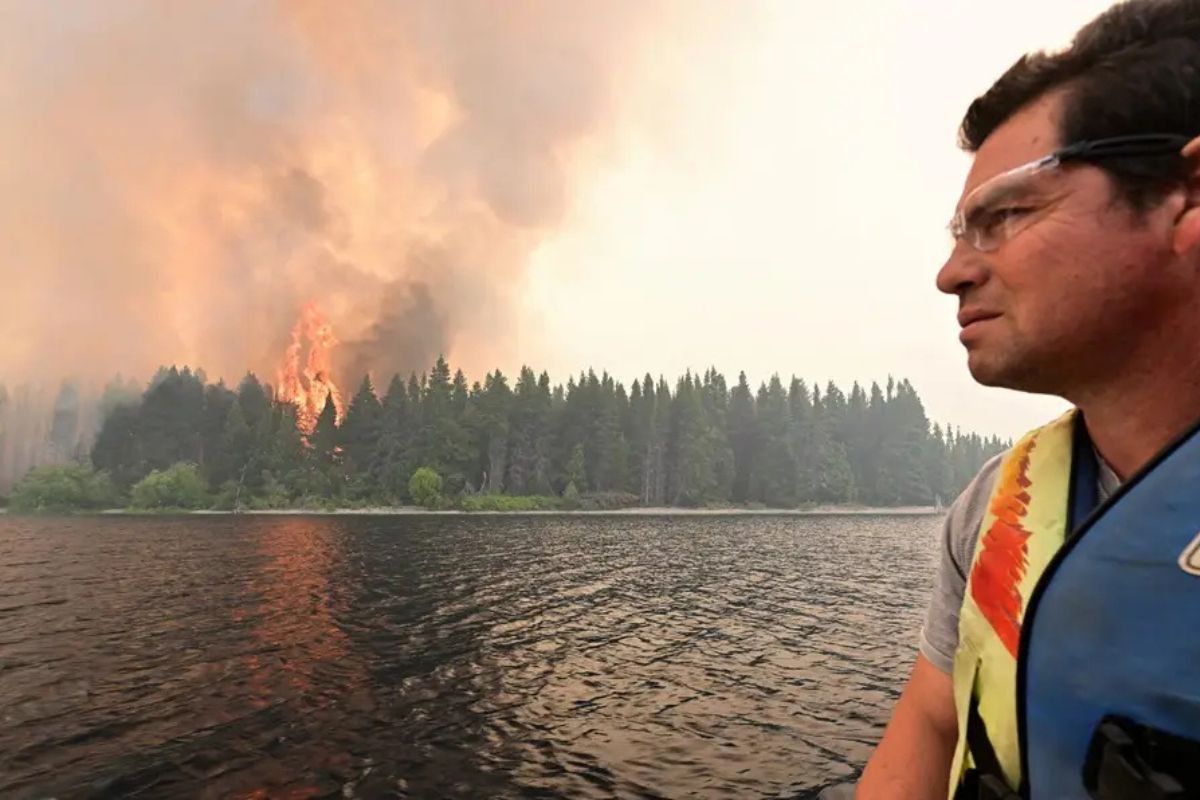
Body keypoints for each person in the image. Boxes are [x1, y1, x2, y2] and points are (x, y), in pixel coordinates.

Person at [851, 1, 1200, 798]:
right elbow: (934, 724)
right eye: (956, 233)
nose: (952, 273)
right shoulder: (990, 512)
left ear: (1188, 196)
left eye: (1004, 216)